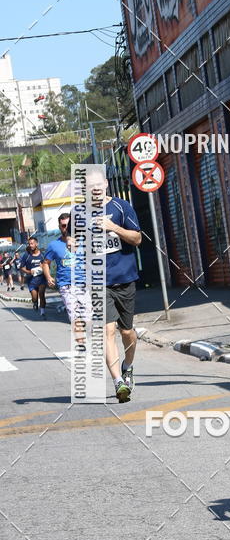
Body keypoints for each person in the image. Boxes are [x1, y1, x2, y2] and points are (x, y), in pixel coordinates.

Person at [86, 169, 142, 403]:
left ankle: (128, 366)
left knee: (126, 331)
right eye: (91, 186)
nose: (96, 189)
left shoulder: (121, 207)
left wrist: (113, 228)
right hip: (99, 283)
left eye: (99, 184)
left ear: (106, 185)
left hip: (125, 279)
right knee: (107, 331)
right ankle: (119, 382)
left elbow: (137, 238)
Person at [42, 213, 88, 343]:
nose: (66, 228)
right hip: (66, 285)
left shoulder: (83, 241)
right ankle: (81, 345)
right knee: (75, 316)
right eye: (63, 225)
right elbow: (45, 263)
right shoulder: (54, 245)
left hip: (84, 284)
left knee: (88, 317)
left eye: (68, 225)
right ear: (59, 227)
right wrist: (48, 276)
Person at [20, 237, 47, 316]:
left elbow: (48, 263)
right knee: (35, 297)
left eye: (32, 243)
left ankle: (42, 312)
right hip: (31, 280)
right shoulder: (26, 255)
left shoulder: (42, 254)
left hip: (42, 278)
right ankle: (35, 302)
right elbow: (21, 267)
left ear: (36, 244)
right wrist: (29, 271)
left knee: (41, 293)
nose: (30, 245)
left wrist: (44, 266)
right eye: (29, 244)